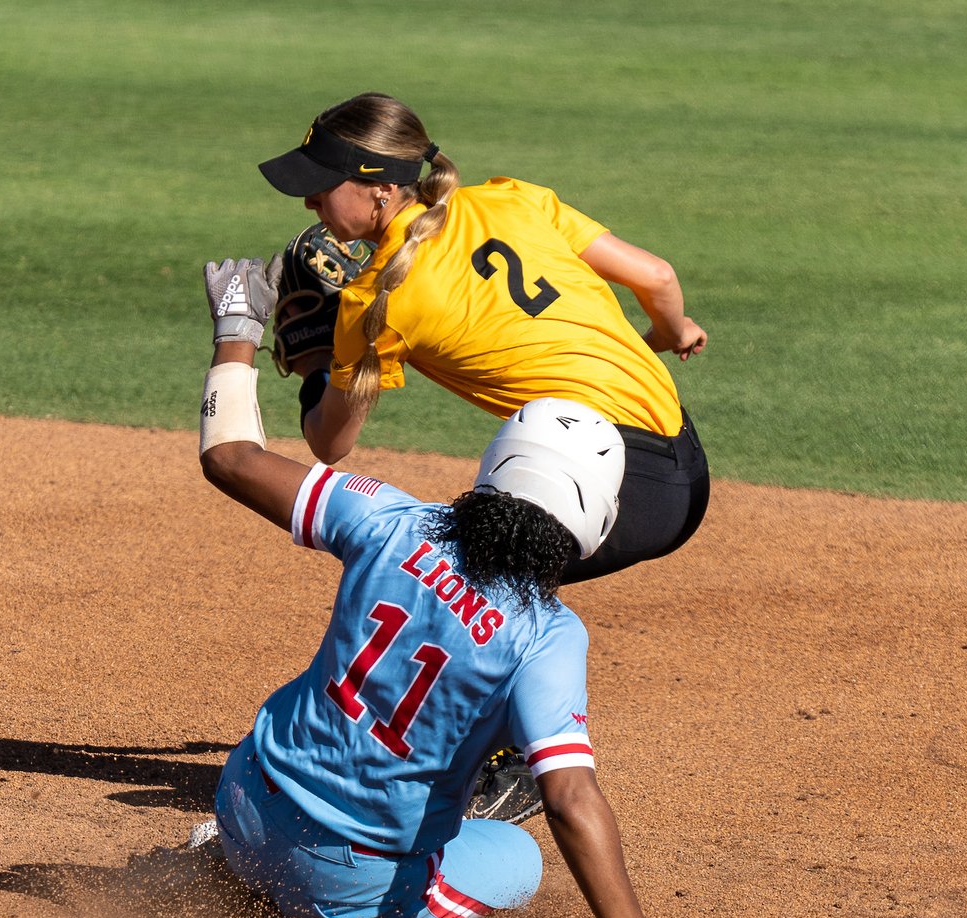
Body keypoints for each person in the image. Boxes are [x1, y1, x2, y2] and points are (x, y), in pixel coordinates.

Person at [186, 260, 749, 918]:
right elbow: (570, 797)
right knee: (520, 860)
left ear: (495, 464)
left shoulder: (388, 517)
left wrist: (238, 327)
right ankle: (319, 897)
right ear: (596, 520)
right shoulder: (548, 634)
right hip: (337, 884)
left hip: (243, 799)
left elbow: (230, 456)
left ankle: (223, 860)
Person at [256, 93, 709, 587]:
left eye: (322, 185)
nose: (309, 200)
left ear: (382, 186)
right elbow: (659, 278)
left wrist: (318, 361)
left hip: (622, 496)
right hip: (685, 466)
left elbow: (330, 442)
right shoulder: (510, 198)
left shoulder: (374, 301)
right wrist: (673, 331)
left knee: (432, 586)